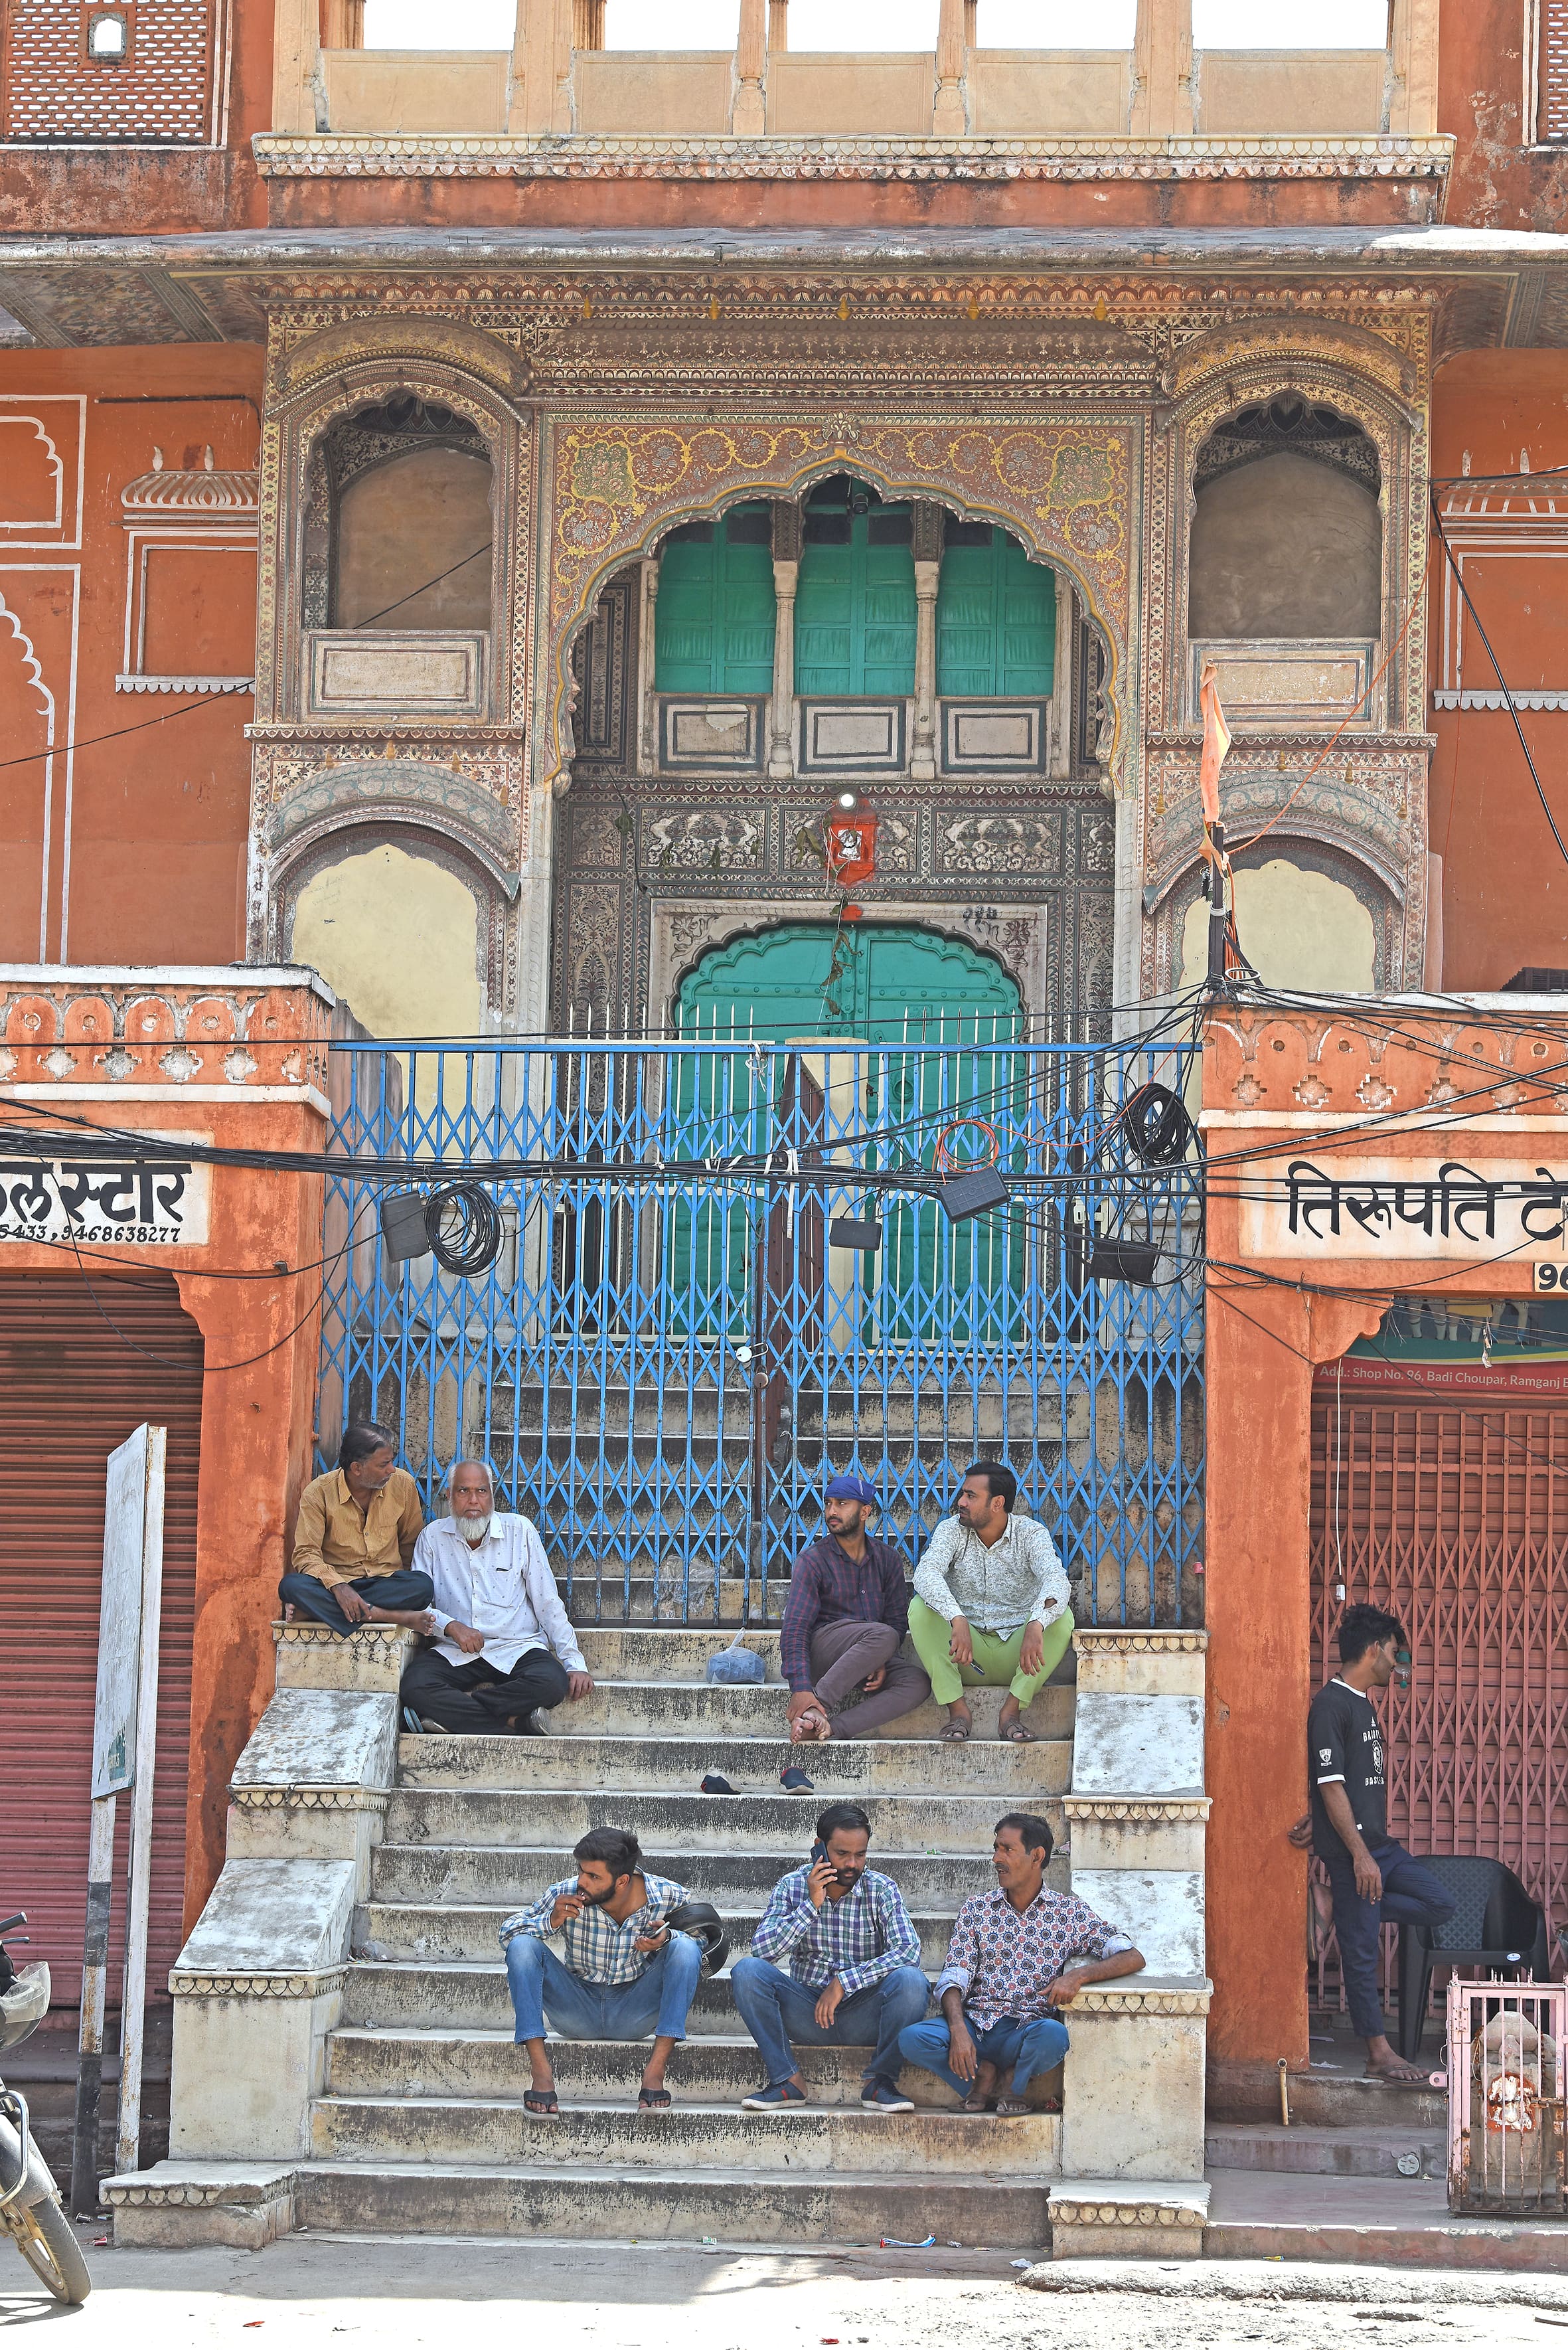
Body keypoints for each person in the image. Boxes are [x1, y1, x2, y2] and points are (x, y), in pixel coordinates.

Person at [1289, 1603, 1456, 2086]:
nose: (1396, 1662)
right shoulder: (1331, 1704)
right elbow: (1330, 1782)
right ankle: (1379, 2053)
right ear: (1372, 1649)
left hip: (1380, 1847)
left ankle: (1336, 1905)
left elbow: (1337, 1785)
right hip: (1352, 1853)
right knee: (1362, 1955)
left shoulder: (1362, 1703)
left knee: (1439, 1901)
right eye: (1392, 1651)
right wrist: (1358, 1854)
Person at [899, 1812, 1144, 2116]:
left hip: (1025, 2030)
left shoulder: (1068, 1913)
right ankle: (982, 2076)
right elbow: (954, 1975)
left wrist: (1078, 1976)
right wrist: (958, 2027)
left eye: (1007, 1849)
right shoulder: (977, 1909)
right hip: (977, 2027)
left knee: (1054, 2036)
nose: (996, 1858)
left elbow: (1132, 1956)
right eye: (996, 1848)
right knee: (912, 2039)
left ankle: (1014, 2084)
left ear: (1037, 1856)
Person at [730, 1802, 930, 2112]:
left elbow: (909, 1951)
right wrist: (811, 1905)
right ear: (819, 1848)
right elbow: (762, 1951)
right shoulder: (792, 1886)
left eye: (860, 1854)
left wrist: (845, 1983)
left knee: (912, 1980)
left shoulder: (881, 1889)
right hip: (807, 2014)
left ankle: (880, 2082)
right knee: (747, 1971)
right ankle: (787, 2080)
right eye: (842, 1854)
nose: (852, 1864)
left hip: (865, 2012)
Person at [499, 1827, 703, 2116]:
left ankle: (655, 2073)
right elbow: (507, 1934)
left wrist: (667, 1939)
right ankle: (541, 2074)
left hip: (636, 2010)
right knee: (522, 1946)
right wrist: (551, 1921)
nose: (582, 1882)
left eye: (594, 1877)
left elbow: (704, 1940)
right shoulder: (565, 1893)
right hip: (575, 2009)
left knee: (685, 1948)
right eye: (581, 1871)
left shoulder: (667, 1895)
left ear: (622, 1881)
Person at [400, 1460, 594, 1735]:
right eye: (463, 1491)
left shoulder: (520, 1531)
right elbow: (419, 1603)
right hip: (456, 1651)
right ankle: (514, 1722)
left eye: (481, 1491)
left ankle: (463, 1711)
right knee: (414, 1686)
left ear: (492, 1495)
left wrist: (574, 1663)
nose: (473, 1501)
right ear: (449, 1495)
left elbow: (547, 1601)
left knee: (552, 1683)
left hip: (517, 1648)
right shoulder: (432, 1538)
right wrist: (452, 1627)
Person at [907, 1461, 1073, 1744]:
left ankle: (1011, 1712)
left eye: (971, 1496)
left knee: (1063, 1617)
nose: (960, 1502)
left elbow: (1057, 1581)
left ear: (997, 1503)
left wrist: (1037, 1623)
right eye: (963, 1494)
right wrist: (956, 1618)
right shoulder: (952, 1531)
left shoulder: (1030, 1533)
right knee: (919, 1609)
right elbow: (926, 1574)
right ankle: (958, 1712)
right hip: (964, 1654)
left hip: (1019, 1653)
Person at [782, 1473, 931, 1743]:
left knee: (917, 1682)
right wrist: (801, 1687)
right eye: (828, 1504)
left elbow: (897, 1622)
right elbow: (795, 1629)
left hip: (871, 1653)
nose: (831, 1512)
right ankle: (816, 1705)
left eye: (841, 1504)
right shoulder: (812, 1561)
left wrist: (879, 1660)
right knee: (882, 1634)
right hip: (826, 1652)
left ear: (865, 1512)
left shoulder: (888, 1560)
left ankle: (833, 1727)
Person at [279, 1422, 433, 1635]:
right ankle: (389, 1615)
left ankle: (317, 1610)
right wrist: (339, 1587)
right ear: (357, 1468)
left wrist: (403, 1585)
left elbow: (410, 1544)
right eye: (383, 1465)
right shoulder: (318, 1493)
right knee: (291, 1586)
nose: (391, 1470)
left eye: (391, 1462)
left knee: (423, 1586)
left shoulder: (403, 1484)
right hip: (336, 1585)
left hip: (385, 1585)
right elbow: (306, 1553)